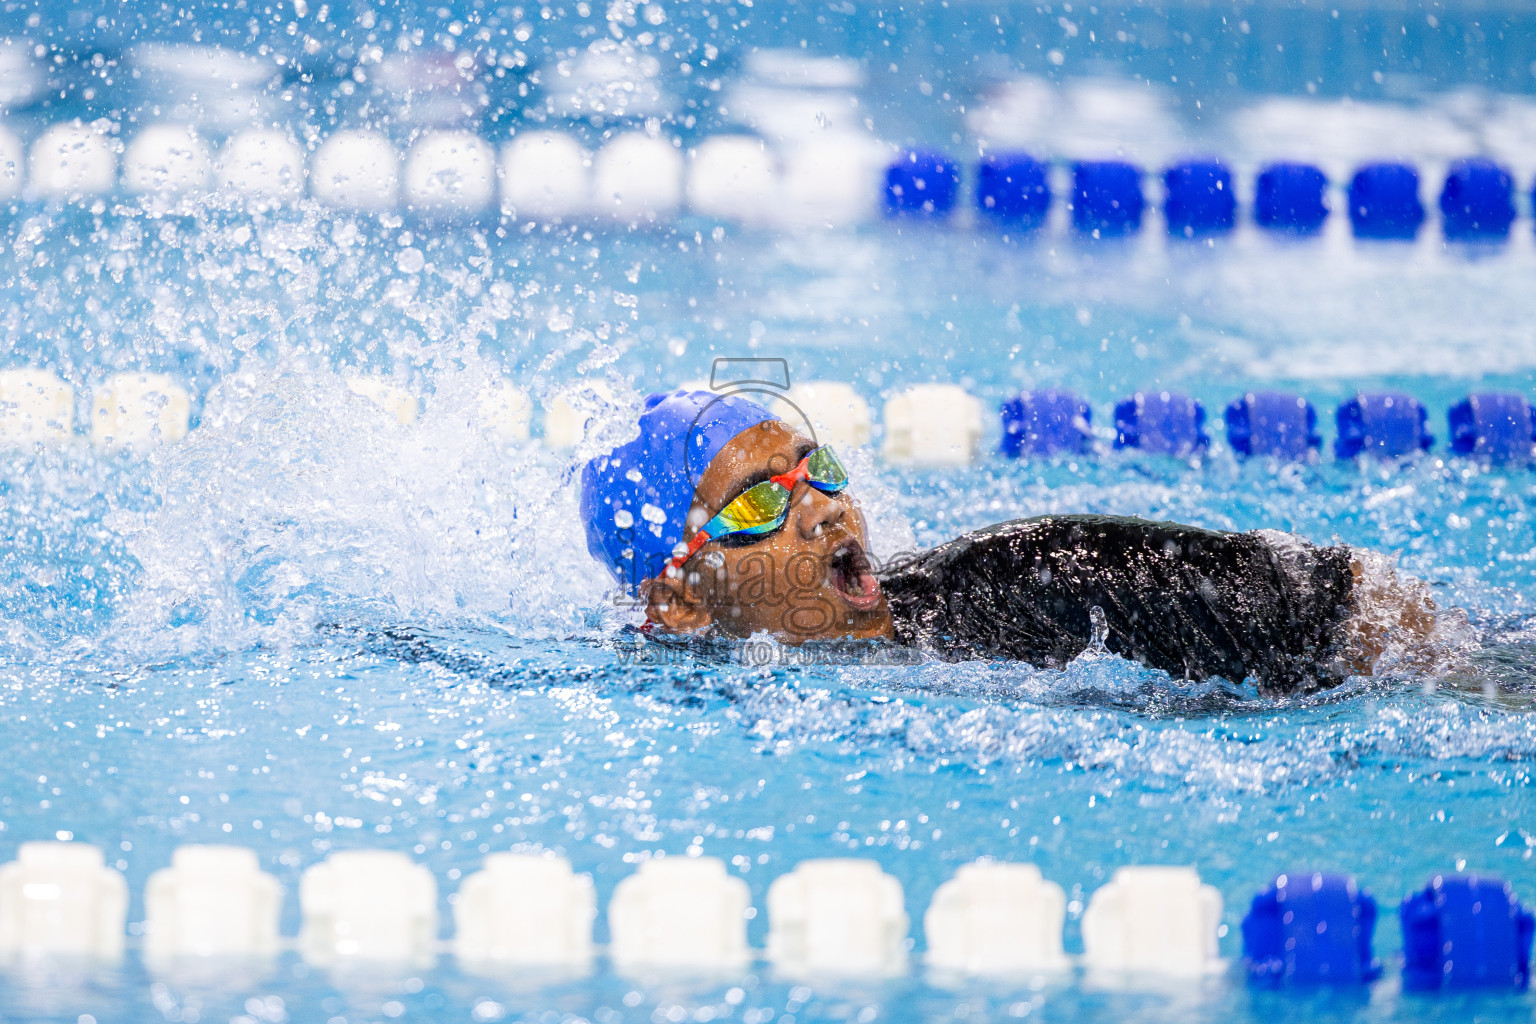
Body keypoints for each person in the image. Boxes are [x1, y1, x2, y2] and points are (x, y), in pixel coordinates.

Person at [580, 390, 1452, 695]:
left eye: (822, 468)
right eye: (761, 500)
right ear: (682, 598)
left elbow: (1355, 604)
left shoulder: (1033, 579)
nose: (825, 510)